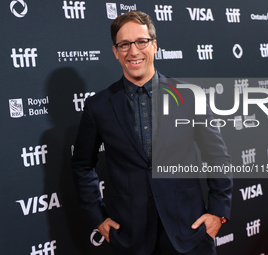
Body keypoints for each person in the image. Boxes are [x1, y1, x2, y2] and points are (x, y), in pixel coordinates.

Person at [72, 11, 232, 255]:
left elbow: (217, 156)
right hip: (130, 238)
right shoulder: (99, 106)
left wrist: (218, 212)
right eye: (124, 44)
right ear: (115, 52)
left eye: (141, 42)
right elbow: (82, 165)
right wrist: (98, 217)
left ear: (154, 45)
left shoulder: (189, 96)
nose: (133, 51)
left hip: (190, 232)